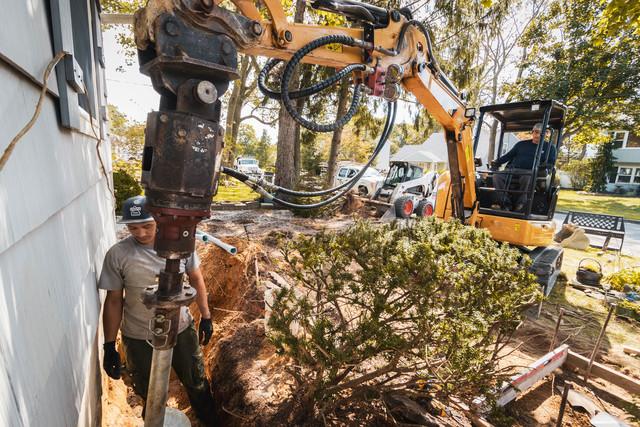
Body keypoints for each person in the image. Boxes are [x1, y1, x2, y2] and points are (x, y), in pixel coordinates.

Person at [99, 195, 215, 424]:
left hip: (180, 328)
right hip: (139, 336)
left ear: (159, 220)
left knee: (196, 381)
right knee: (148, 391)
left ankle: (209, 421)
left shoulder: (180, 245)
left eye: (146, 226)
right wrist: (109, 345)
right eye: (133, 228)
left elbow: (196, 279)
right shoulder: (118, 254)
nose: (140, 233)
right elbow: (114, 300)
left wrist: (206, 316)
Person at [491, 123, 556, 212]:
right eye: (536, 132)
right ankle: (505, 203)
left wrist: (541, 167)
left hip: (532, 171)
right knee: (497, 176)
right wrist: (496, 162)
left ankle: (521, 204)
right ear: (532, 132)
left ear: (546, 134)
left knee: (527, 177)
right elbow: (508, 156)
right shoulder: (521, 144)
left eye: (541, 133)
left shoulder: (550, 148)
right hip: (513, 170)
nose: (538, 135)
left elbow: (551, 163)